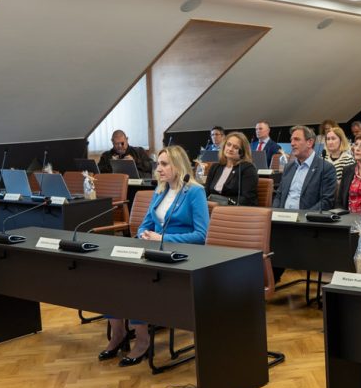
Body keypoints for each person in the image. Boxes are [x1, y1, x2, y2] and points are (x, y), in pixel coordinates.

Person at [100, 146, 209, 366]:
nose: (158, 169)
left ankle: (142, 340)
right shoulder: (160, 190)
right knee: (111, 274)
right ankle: (118, 333)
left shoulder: (194, 192)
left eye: (164, 164)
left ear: (178, 165)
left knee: (138, 280)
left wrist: (163, 238)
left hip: (180, 256)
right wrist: (144, 234)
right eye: (158, 164)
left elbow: (201, 234)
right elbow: (145, 224)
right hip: (153, 250)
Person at [272, 125, 337, 211]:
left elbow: (326, 202)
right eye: (291, 140)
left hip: (306, 217)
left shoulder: (326, 168)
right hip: (283, 216)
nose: (292, 144)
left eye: (296, 139)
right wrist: (275, 212)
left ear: (309, 142)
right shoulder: (288, 167)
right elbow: (279, 195)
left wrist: (304, 216)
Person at [205, 131, 258, 206]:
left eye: (236, 147)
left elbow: (247, 199)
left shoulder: (248, 169)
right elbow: (206, 193)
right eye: (228, 144)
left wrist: (221, 203)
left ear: (242, 152)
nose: (230, 149)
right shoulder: (215, 167)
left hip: (234, 210)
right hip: (212, 208)